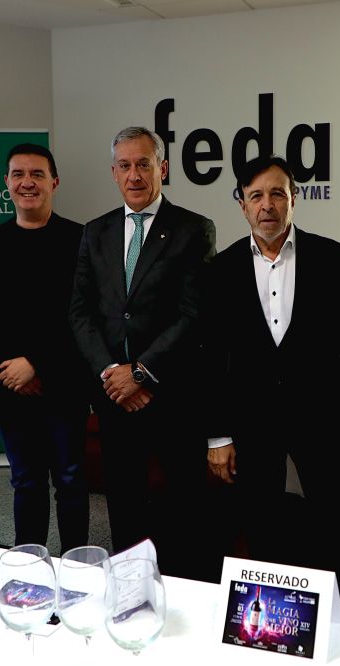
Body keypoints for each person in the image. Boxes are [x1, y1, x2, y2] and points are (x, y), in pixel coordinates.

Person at [203, 155, 340, 577]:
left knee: (333, 531)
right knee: (262, 533)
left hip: (320, 423)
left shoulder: (332, 257)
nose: (267, 205)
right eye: (256, 196)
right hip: (252, 426)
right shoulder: (221, 270)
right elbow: (213, 357)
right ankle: (271, 613)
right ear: (242, 204)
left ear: (294, 198)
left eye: (277, 193)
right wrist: (218, 434)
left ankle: (334, 613)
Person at [69, 127, 216, 575]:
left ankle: (185, 589)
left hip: (171, 394)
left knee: (182, 506)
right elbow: (80, 312)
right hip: (114, 397)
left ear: (162, 168)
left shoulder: (193, 228)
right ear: (114, 173)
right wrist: (111, 372)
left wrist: (142, 372)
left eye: (144, 164)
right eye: (125, 166)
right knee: (124, 505)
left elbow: (193, 314)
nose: (134, 175)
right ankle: (130, 589)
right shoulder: (95, 231)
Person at [0, 143, 89, 553]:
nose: (27, 182)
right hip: (9, 384)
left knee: (70, 479)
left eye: (37, 174)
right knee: (26, 481)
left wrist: (37, 364)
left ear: (54, 182)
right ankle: (29, 566)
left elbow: (83, 315)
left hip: (65, 381)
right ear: (6, 182)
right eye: (18, 174)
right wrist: (13, 366)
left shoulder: (82, 240)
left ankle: (77, 567)